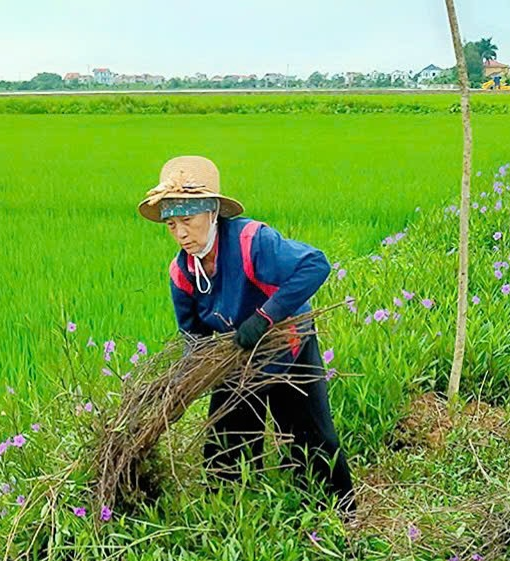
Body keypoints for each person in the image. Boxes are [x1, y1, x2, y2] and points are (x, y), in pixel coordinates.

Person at [138, 155, 354, 507]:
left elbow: (316, 265)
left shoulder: (251, 241)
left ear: (212, 213)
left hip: (287, 346)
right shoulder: (182, 274)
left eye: (188, 221)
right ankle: (232, 518)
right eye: (171, 224)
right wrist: (184, 385)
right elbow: (193, 337)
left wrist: (265, 317)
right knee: (225, 452)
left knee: (312, 443)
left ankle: (340, 519)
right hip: (235, 360)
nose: (180, 234)